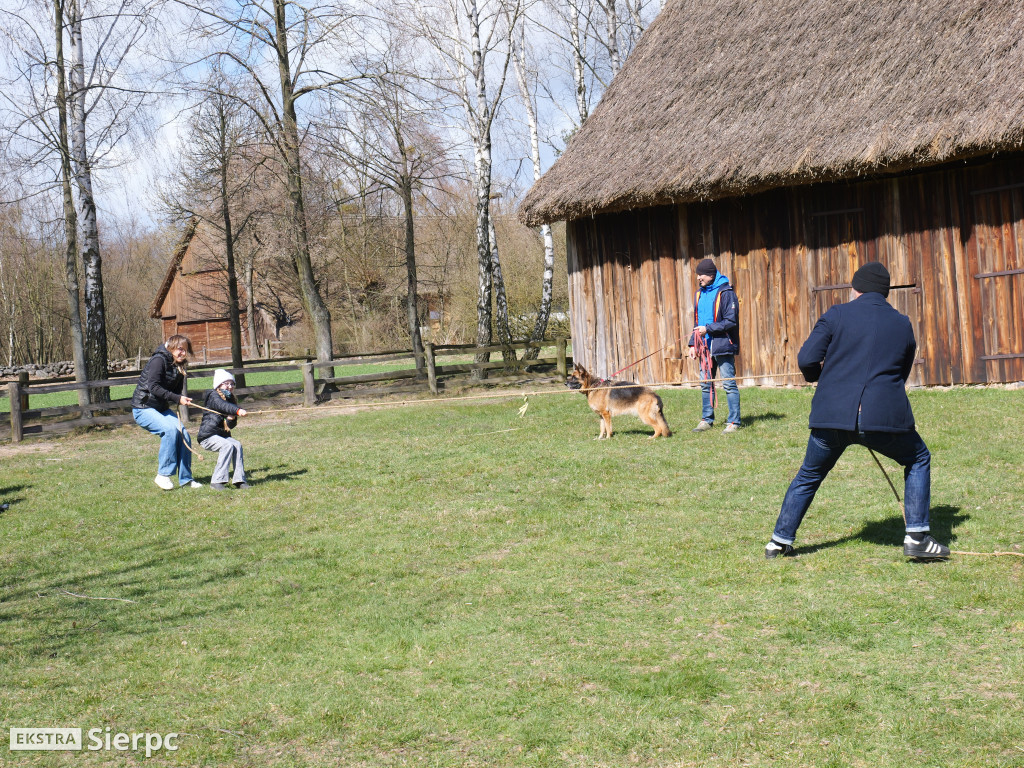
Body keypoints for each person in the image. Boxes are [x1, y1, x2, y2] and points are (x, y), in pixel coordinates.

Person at [765, 262, 949, 560]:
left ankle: (778, 542)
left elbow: (807, 359)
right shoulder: (902, 323)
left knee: (809, 474)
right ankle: (916, 537)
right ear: (884, 292)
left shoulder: (836, 314)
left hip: (832, 415)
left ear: (856, 288)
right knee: (918, 458)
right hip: (882, 416)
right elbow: (901, 371)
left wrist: (818, 377)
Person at [131, 335, 201, 490]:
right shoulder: (158, 360)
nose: (183, 353)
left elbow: (174, 391)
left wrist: (181, 375)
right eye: (180, 349)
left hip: (160, 408)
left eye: (185, 350)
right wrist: (178, 398)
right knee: (170, 431)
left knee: (183, 434)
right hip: (143, 408)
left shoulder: (179, 365)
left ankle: (186, 479)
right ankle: (163, 475)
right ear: (172, 347)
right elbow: (154, 387)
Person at [687, 257, 741, 433]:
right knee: (705, 384)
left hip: (723, 345)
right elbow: (697, 321)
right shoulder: (699, 294)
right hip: (704, 346)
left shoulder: (727, 293)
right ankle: (706, 420)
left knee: (728, 384)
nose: (698, 278)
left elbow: (730, 321)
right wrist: (692, 344)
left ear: (711, 275)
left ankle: (734, 422)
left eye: (701, 275)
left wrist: (708, 329)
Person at [197, 369, 250, 490]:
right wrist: (236, 410)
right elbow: (222, 406)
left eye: (232, 384)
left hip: (221, 436)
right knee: (227, 446)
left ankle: (239, 480)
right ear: (219, 384)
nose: (230, 386)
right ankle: (217, 482)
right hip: (207, 436)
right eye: (226, 383)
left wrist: (231, 418)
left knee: (236, 445)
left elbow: (230, 426)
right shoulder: (213, 395)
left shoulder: (231, 399)